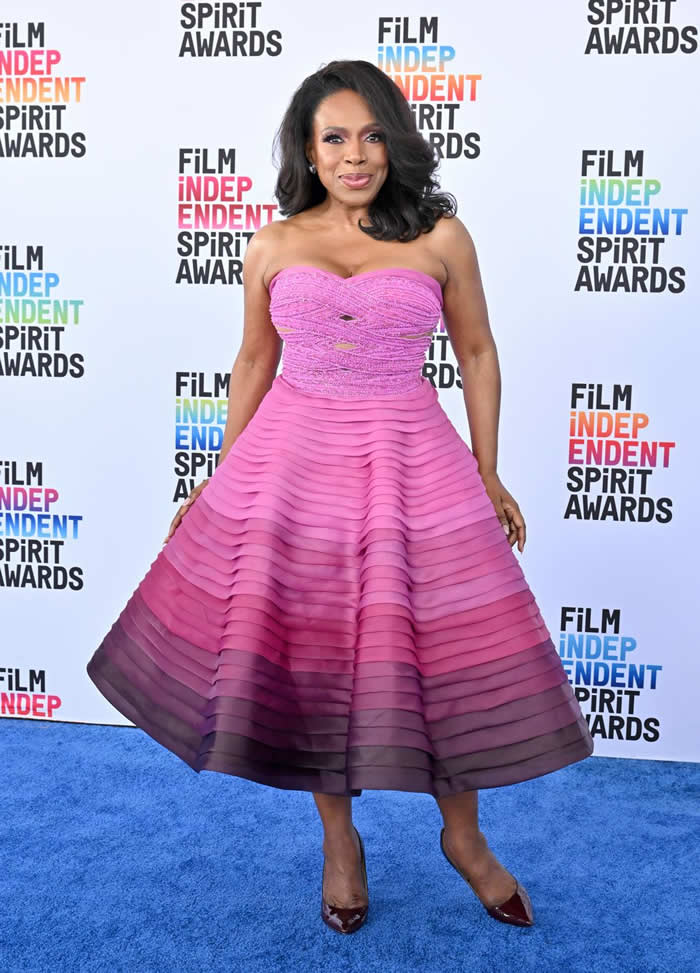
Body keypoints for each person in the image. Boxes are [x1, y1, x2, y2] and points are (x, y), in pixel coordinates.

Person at [86, 59, 594, 936]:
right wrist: (223, 475)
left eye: (371, 136)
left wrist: (488, 469)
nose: (355, 155)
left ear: (394, 144)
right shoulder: (273, 244)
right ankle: (339, 841)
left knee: (443, 653)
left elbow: (477, 352)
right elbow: (255, 360)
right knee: (317, 657)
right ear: (308, 151)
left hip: (412, 458)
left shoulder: (441, 236)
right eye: (334, 138)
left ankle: (464, 837)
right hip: (296, 462)